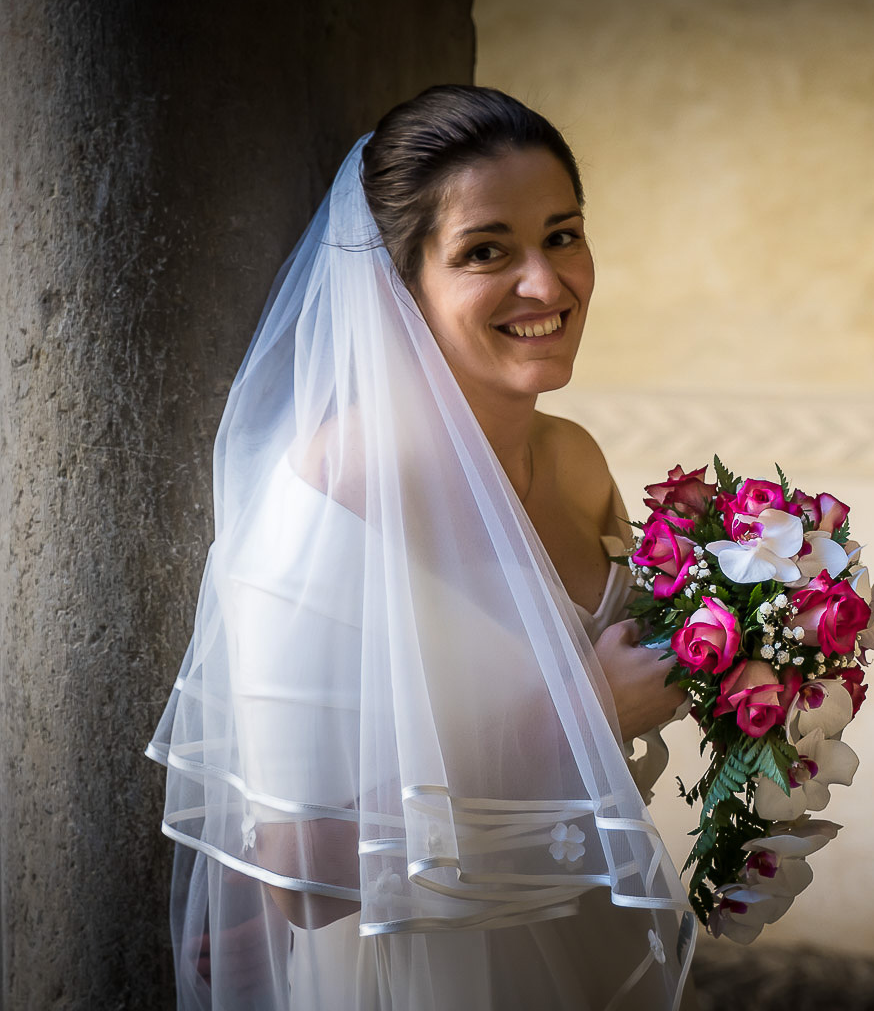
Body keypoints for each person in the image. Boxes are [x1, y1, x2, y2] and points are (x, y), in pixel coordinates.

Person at [147, 85, 695, 1009]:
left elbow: (636, 673)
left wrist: (752, 629)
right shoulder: (332, 498)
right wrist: (584, 714)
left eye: (563, 234)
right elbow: (300, 876)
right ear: (398, 286)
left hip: (591, 938)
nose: (546, 284)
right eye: (486, 251)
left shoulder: (576, 460)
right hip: (425, 978)